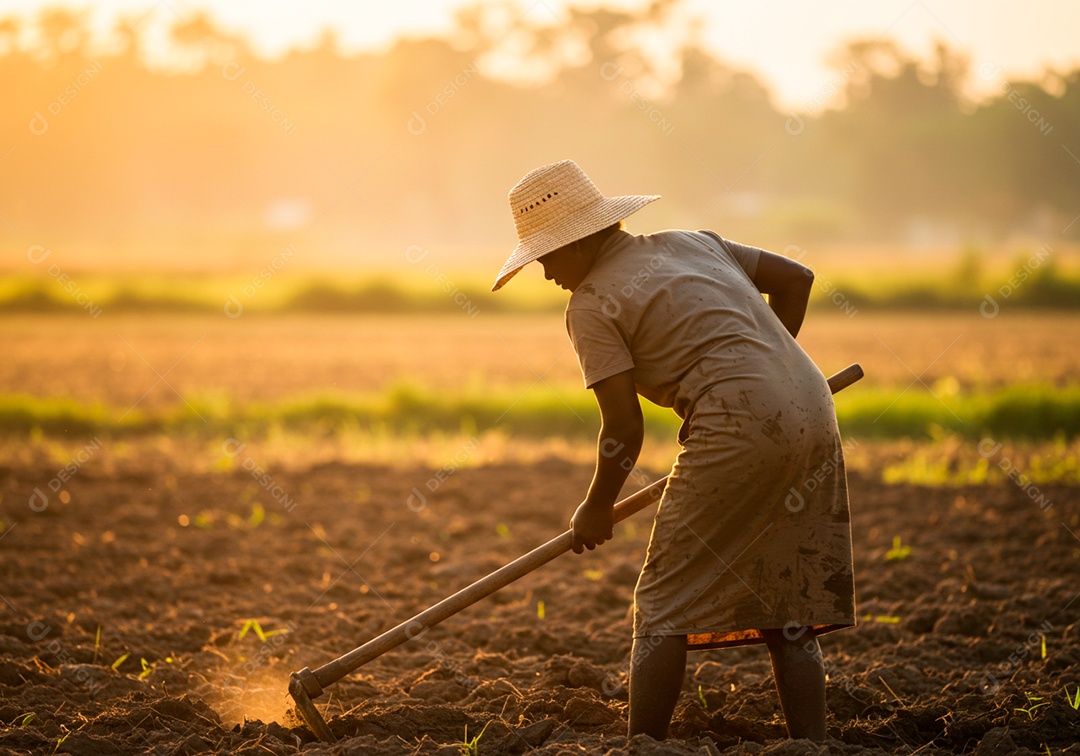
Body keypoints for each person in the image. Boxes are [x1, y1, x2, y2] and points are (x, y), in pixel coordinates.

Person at [491, 160, 855, 742]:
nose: (546, 273)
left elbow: (623, 427)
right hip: (813, 409)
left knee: (662, 603)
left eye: (546, 257)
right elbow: (798, 279)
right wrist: (765, 369)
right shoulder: (693, 242)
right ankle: (810, 747)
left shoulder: (590, 304)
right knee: (788, 605)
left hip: (736, 426)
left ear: (578, 242)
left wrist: (596, 506)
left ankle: (644, 748)